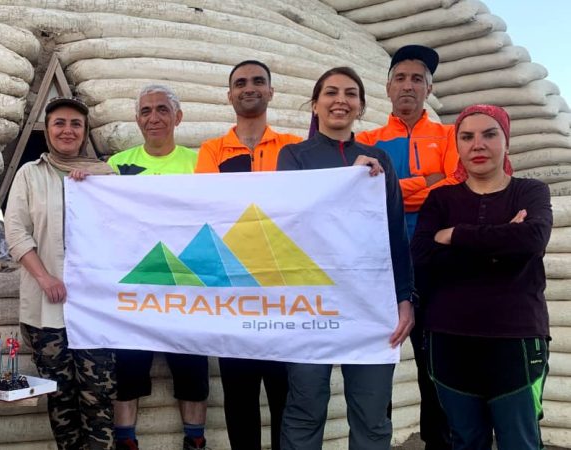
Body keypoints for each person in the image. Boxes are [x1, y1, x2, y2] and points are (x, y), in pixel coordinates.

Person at [277, 67, 414, 450]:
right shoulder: (293, 157)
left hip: (369, 302)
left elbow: (394, 232)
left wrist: (405, 297)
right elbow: (291, 221)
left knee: (372, 414)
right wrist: (345, 181)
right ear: (315, 104)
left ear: (361, 106)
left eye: (351, 93)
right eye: (331, 92)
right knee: (305, 407)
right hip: (309, 301)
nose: (341, 100)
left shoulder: (379, 160)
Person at [411, 104, 551, 450]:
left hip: (515, 339)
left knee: (520, 441)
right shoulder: (441, 199)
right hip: (449, 340)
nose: (478, 145)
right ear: (457, 146)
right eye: (467, 137)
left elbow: (532, 239)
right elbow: (423, 256)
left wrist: (454, 234)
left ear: (506, 141)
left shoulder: (530, 192)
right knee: (465, 441)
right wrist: (503, 239)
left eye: (490, 134)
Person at [194, 60, 302, 450]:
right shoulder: (211, 151)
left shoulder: (294, 148)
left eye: (258, 81)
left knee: (285, 395)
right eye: (240, 83)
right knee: (239, 397)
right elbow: (211, 209)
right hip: (233, 295)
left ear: (271, 91)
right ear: (230, 95)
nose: (249, 88)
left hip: (284, 295)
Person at [357, 44, 458, 449]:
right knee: (376, 363)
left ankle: (438, 442)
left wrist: (394, 187)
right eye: (400, 78)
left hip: (434, 263)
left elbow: (452, 188)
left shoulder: (449, 136)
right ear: (387, 88)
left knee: (434, 365)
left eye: (417, 79)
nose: (408, 86)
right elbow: (364, 192)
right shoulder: (367, 139)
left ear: (429, 89)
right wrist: (426, 181)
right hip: (380, 262)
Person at [4, 97, 117, 450]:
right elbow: (15, 231)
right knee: (61, 397)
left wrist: (95, 187)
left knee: (99, 395)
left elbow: (122, 230)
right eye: (59, 123)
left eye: (75, 124)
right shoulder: (29, 174)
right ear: (47, 130)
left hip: (95, 309)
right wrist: (44, 277)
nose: (68, 130)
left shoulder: (106, 175)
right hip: (47, 309)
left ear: (85, 131)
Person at [107, 85, 208, 450]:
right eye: (146, 111)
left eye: (162, 109)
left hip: (188, 286)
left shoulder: (201, 163)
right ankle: (126, 442)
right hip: (135, 287)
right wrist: (84, 179)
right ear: (137, 120)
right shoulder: (115, 166)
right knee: (127, 372)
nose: (154, 117)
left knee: (193, 372)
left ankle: (195, 441)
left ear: (178, 117)